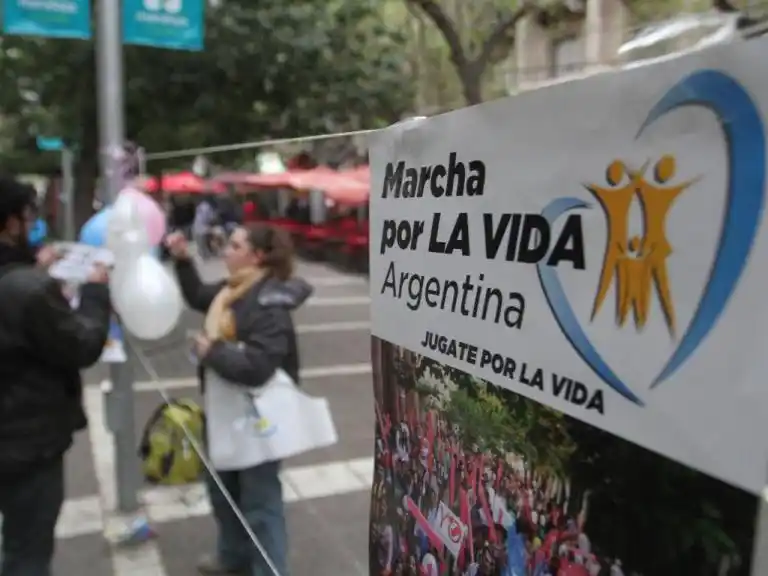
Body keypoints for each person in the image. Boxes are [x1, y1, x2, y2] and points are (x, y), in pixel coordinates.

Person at [165, 223, 313, 576]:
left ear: (257, 255)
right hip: (224, 408)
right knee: (223, 491)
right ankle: (233, 559)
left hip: (256, 414)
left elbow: (260, 366)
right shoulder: (233, 290)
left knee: (260, 501)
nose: (226, 250)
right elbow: (199, 295)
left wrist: (211, 350)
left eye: (234, 245)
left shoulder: (269, 299)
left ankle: (267, 569)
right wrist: (184, 260)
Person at [0, 177, 111, 576]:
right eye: (27, 217)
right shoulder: (29, 292)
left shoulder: (26, 282)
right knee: (27, 552)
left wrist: (33, 267)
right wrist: (97, 294)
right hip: (25, 443)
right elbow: (81, 345)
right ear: (11, 222)